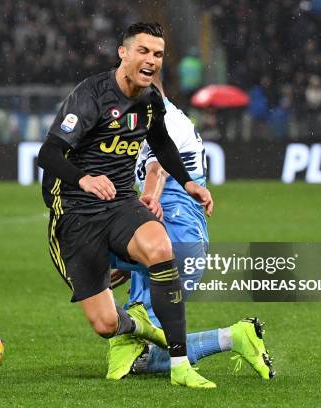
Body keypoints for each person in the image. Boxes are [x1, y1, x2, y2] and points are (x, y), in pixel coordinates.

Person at [37, 22, 216, 388]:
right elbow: (49, 153)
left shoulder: (150, 100)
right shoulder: (91, 96)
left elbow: (162, 146)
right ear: (123, 52)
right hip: (75, 211)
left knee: (161, 247)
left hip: (120, 201)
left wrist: (189, 183)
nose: (151, 60)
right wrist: (83, 179)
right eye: (143, 51)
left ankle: (181, 365)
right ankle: (138, 326)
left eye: (158, 54)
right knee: (105, 325)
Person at [107, 77, 275, 381]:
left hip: (174, 236)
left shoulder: (167, 120)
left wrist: (148, 208)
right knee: (140, 342)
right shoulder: (149, 119)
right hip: (178, 237)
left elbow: (157, 170)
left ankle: (233, 337)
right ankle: (235, 337)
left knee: (138, 350)